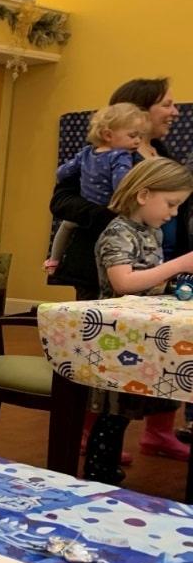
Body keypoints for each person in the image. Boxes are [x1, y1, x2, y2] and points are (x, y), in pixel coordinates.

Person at [50, 77, 189, 462]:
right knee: (105, 356)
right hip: (112, 263)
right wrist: (118, 218)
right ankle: (88, 434)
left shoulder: (160, 150)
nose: (174, 111)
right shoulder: (100, 152)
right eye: (167, 104)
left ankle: (157, 432)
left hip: (158, 258)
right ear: (140, 110)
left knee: (165, 349)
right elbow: (62, 202)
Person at [84, 158, 193, 483]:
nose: (173, 213)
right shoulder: (117, 232)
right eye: (171, 204)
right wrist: (177, 266)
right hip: (116, 336)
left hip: (141, 333)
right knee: (114, 409)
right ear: (144, 194)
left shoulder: (152, 232)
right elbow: (124, 283)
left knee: (133, 405)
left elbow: (150, 281)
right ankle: (98, 472)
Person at [45, 103, 148, 275]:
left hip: (86, 207)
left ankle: (53, 261)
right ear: (108, 135)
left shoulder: (86, 152)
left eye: (139, 136)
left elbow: (63, 171)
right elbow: (121, 186)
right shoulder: (121, 156)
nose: (137, 141)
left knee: (65, 227)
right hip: (110, 209)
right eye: (132, 136)